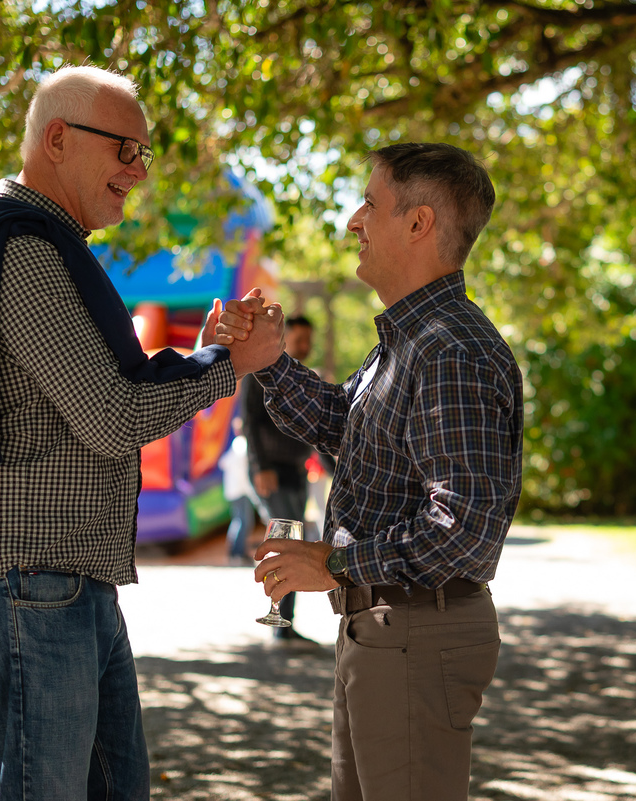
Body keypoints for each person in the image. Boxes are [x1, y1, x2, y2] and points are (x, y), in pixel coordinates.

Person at [0, 65, 280, 801]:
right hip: (26, 584)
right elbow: (114, 419)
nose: (139, 172)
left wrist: (205, 353)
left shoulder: (30, 240)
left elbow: (88, 397)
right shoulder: (22, 248)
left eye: (143, 153)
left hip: (58, 582)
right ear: (57, 139)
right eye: (125, 149)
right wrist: (228, 365)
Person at [216, 142, 524, 800]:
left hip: (413, 629)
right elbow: (342, 425)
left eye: (369, 204)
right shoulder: (414, 338)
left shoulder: (447, 348)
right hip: (388, 628)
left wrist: (334, 562)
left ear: (418, 223)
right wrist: (269, 360)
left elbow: (463, 529)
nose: (353, 220)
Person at [241, 314, 329, 639]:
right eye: (300, 339)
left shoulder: (306, 377)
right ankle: (279, 620)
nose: (305, 345)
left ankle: (286, 621)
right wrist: (259, 467)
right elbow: (249, 421)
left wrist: (336, 470)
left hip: (296, 471)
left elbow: (318, 431)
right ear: (285, 337)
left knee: (296, 544)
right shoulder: (261, 370)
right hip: (271, 471)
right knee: (286, 544)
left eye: (309, 340)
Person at [220, 417, 256, 566]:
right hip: (241, 491)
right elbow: (244, 472)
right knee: (243, 521)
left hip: (234, 490)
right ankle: (237, 552)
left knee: (240, 521)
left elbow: (223, 462)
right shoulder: (243, 445)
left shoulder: (236, 444)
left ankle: (237, 552)